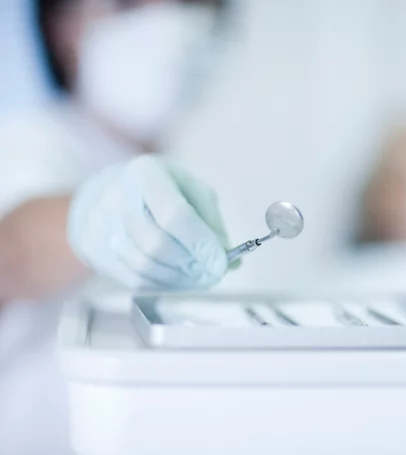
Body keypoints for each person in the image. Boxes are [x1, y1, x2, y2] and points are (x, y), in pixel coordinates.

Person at [0, 0, 238, 452]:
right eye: (130, 4)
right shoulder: (21, 145)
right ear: (63, 29)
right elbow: (11, 252)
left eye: (189, 5)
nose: (171, 27)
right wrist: (86, 219)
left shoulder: (212, 189)